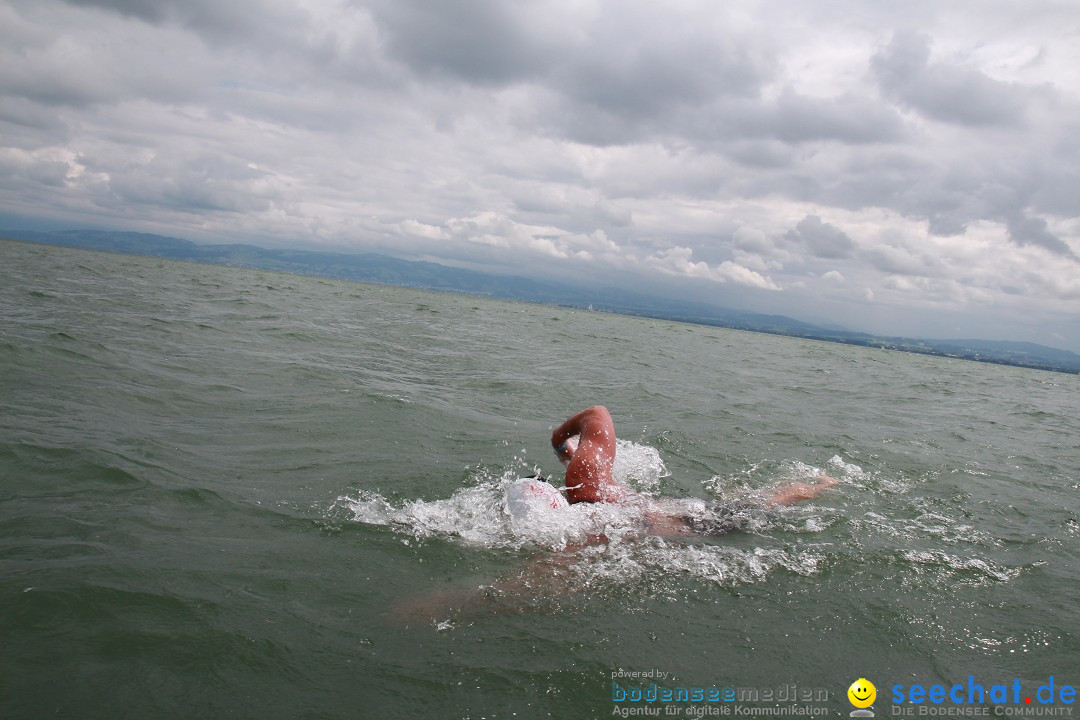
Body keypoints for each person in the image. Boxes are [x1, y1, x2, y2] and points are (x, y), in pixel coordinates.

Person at [551, 405, 836, 515]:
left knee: (764, 504)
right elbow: (597, 414)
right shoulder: (585, 480)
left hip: (685, 521)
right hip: (683, 512)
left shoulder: (588, 529)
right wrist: (560, 441)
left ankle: (820, 487)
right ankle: (818, 485)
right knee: (752, 504)